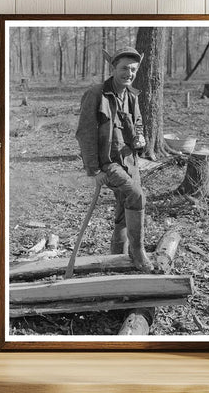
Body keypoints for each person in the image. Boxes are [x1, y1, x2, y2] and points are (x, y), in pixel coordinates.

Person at [76, 46, 153, 273]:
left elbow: (137, 125)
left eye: (133, 70)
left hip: (130, 161)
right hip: (108, 164)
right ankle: (138, 252)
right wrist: (94, 170)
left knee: (123, 212)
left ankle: (117, 261)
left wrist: (140, 138)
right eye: (124, 69)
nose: (128, 74)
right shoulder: (96, 94)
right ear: (113, 68)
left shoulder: (132, 95)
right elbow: (85, 133)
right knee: (137, 196)